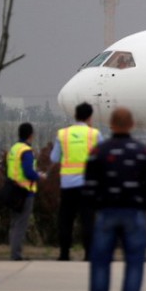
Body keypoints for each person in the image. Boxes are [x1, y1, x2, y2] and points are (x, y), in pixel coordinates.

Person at [83, 107, 146, 291]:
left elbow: (89, 187)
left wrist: (98, 206)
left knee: (100, 262)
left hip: (106, 212)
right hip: (134, 213)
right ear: (132, 125)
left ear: (111, 124)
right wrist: (145, 206)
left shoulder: (99, 151)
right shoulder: (143, 152)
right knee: (134, 262)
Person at [51, 101, 100, 261]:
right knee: (88, 220)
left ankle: (64, 253)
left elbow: (54, 157)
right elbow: (103, 157)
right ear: (90, 117)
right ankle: (89, 254)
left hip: (68, 184)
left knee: (65, 220)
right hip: (88, 185)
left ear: (75, 116)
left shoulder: (62, 134)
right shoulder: (94, 134)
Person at [6, 122, 42, 261]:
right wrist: (38, 176)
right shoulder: (26, 151)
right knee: (21, 224)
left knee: (14, 223)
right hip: (24, 192)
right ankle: (16, 254)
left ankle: (13, 252)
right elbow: (28, 172)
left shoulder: (14, 149)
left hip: (12, 190)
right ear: (31, 135)